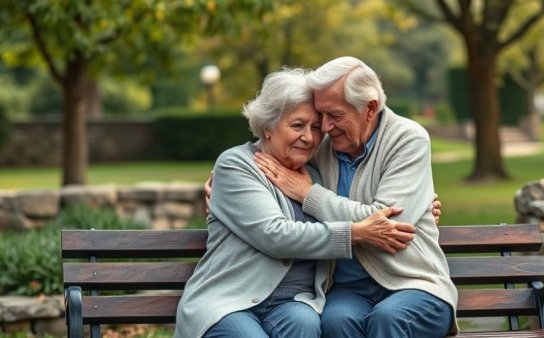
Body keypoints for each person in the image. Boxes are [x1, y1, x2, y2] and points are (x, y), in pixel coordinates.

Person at [174, 67, 418, 338]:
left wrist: (422, 202)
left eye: (316, 127)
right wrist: (354, 234)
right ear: (268, 127)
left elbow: (354, 199)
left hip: (294, 303)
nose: (310, 137)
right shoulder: (237, 165)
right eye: (298, 125)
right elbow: (274, 235)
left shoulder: (317, 172)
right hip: (230, 301)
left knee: (305, 323)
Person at [253, 56, 458, 337]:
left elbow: (387, 222)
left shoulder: (409, 139)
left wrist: (308, 194)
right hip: (349, 291)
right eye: (321, 115)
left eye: (334, 115)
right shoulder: (323, 145)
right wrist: (225, 172)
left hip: (414, 283)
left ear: (370, 108)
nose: (323, 128)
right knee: (335, 321)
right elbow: (273, 141)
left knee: (388, 318)